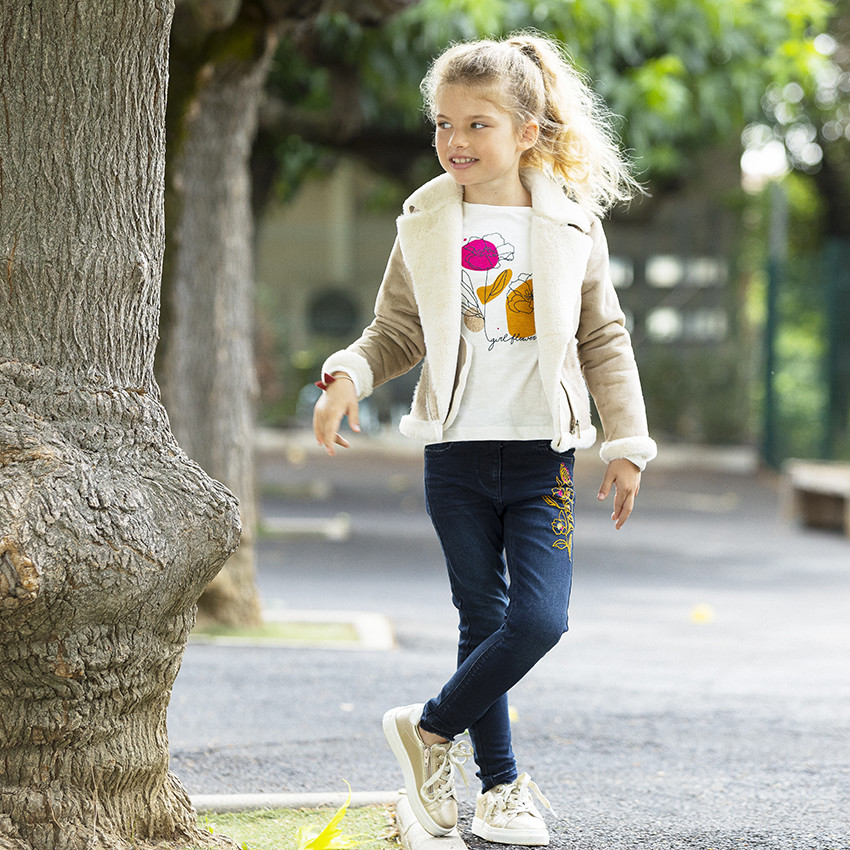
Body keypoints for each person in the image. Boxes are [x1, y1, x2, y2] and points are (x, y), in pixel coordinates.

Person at [312, 32, 657, 847]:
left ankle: (429, 730)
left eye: (477, 125)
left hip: (545, 458)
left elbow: (604, 339)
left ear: (526, 132)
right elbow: (395, 330)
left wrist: (627, 443)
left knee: (539, 620)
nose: (454, 142)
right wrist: (349, 375)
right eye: (442, 124)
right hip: (457, 454)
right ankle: (500, 791)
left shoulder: (573, 224)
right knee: (482, 617)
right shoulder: (426, 221)